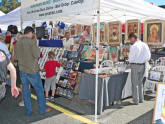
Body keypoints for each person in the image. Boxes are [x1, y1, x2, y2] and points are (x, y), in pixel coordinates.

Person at [14, 26, 51, 115]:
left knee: (26, 91)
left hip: (22, 70)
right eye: (33, 34)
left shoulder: (17, 43)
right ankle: (42, 109)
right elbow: (37, 55)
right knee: (39, 90)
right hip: (32, 70)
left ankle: (28, 110)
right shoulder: (31, 42)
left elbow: (16, 58)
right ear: (30, 33)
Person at [128, 33, 151, 105]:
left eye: (130, 39)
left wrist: (129, 61)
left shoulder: (134, 46)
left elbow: (131, 58)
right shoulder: (145, 44)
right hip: (143, 65)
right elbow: (148, 56)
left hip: (135, 65)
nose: (130, 41)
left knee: (135, 83)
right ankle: (141, 99)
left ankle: (136, 100)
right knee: (140, 83)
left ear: (133, 38)